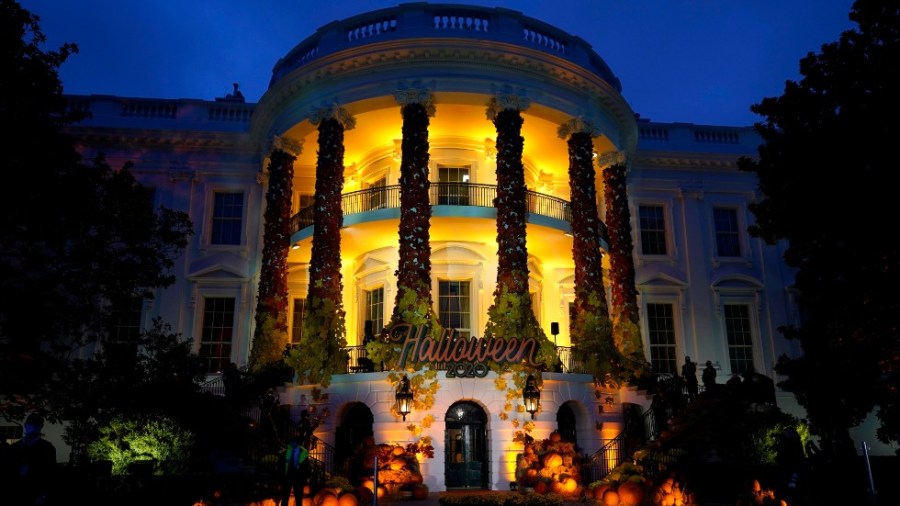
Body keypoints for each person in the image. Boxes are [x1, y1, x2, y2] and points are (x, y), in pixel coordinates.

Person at [9, 413, 57, 506]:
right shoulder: (14, 448)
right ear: (26, 425)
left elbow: (51, 474)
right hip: (16, 494)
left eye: (36, 425)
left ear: (41, 427)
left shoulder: (48, 448)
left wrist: (43, 496)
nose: (33, 428)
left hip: (36, 496)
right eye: (31, 424)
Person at [280, 437, 310, 506]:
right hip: (288, 476)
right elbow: (281, 464)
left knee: (298, 497)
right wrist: (282, 477)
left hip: (298, 477)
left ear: (297, 443)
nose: (292, 443)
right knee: (285, 497)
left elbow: (306, 466)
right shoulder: (286, 452)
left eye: (294, 442)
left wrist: (304, 477)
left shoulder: (303, 453)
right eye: (291, 442)